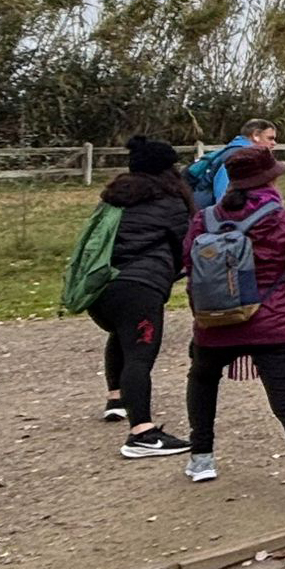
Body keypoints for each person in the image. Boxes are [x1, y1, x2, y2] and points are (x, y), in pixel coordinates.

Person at [180, 147, 285, 508]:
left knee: (202, 379)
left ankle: (201, 458)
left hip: (215, 324)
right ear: (270, 179)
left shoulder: (204, 219)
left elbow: (188, 263)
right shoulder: (284, 220)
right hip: (274, 325)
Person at [93, 136, 197, 457]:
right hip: (140, 288)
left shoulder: (112, 200)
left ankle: (116, 398)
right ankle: (142, 434)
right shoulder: (170, 202)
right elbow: (189, 244)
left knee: (120, 335)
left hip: (101, 289)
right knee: (140, 356)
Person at [193, 119, 280, 207]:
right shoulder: (236, 156)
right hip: (208, 212)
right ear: (255, 135)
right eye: (270, 138)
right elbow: (223, 193)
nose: (274, 143)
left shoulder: (238, 152)